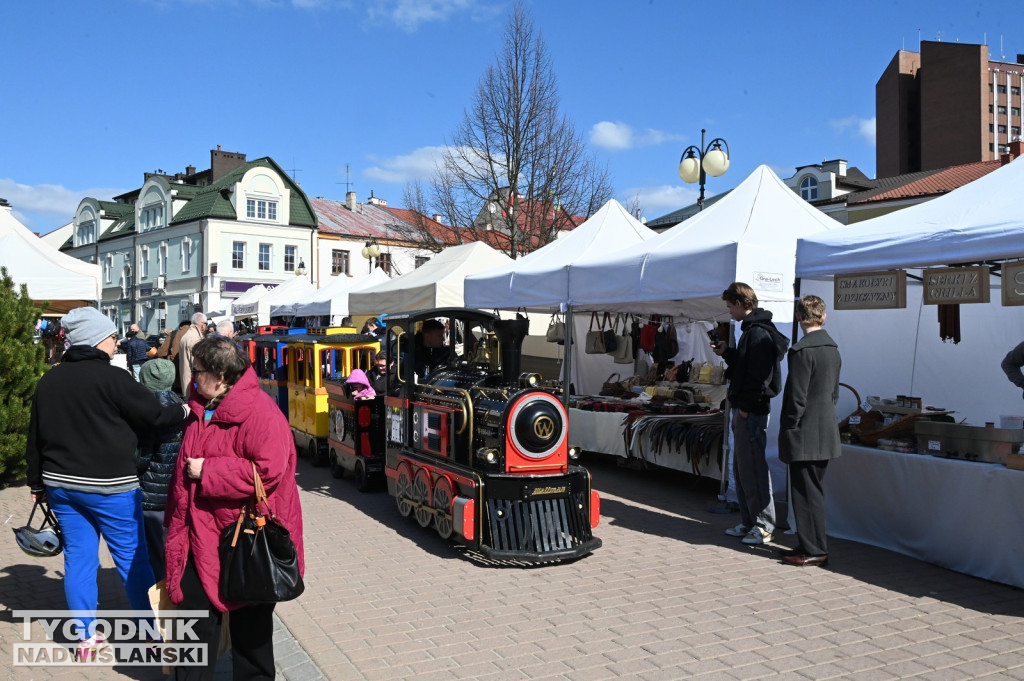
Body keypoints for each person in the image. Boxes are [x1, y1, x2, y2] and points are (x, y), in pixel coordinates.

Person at [24, 307, 189, 659]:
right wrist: (187, 411)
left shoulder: (50, 379)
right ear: (96, 339)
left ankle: (85, 639)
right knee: (132, 559)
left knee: (79, 561)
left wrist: (36, 484)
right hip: (111, 487)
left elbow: (34, 436)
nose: (117, 342)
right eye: (112, 336)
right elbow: (157, 415)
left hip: (61, 487)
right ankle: (149, 634)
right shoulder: (114, 379)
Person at [164, 336, 304, 680]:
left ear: (221, 376)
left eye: (198, 371)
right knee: (194, 627)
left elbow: (269, 472)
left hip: (246, 540)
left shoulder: (261, 414)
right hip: (200, 533)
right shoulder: (201, 405)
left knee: (251, 635)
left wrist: (207, 471)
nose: (193, 378)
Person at [712, 282, 789, 545]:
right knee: (743, 467)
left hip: (751, 411)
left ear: (742, 303)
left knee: (754, 468)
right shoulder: (752, 331)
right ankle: (749, 521)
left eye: (730, 306)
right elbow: (749, 368)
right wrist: (729, 354)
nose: (729, 311)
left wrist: (745, 407)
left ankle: (764, 525)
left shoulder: (758, 333)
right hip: (747, 409)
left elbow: (760, 376)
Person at [777, 295, 841, 567]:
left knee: (805, 494)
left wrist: (790, 425)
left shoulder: (802, 350)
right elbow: (834, 394)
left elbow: (796, 398)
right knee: (812, 492)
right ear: (823, 317)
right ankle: (810, 543)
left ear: (799, 318)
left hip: (804, 431)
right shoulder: (832, 349)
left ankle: (813, 548)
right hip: (824, 428)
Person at [137, 358, 186, 582]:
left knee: (152, 554)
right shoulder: (182, 406)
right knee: (172, 549)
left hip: (150, 493)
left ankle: (158, 604)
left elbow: (142, 457)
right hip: (176, 492)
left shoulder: (145, 411)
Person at [177, 312, 208, 399]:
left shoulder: (187, 335)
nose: (206, 327)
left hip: (186, 379)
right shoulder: (195, 338)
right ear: (202, 324)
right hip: (192, 382)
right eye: (206, 324)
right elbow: (198, 364)